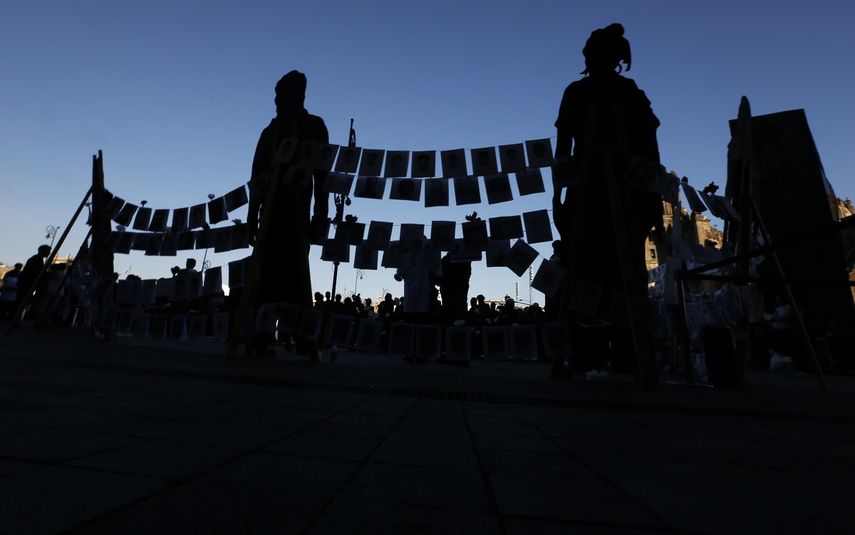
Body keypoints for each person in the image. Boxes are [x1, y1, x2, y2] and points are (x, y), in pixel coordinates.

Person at [552, 24, 663, 382]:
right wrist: (559, 195)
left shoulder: (629, 93)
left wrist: (652, 195)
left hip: (624, 193)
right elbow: (563, 148)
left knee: (622, 273)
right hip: (587, 191)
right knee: (585, 272)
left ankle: (629, 353)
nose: (589, 59)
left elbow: (649, 149)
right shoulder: (577, 92)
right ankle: (587, 353)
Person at [246, 70, 330, 358]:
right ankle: (261, 335)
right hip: (270, 212)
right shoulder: (269, 132)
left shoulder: (314, 126)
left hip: (298, 211)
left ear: (299, 96)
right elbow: (257, 176)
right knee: (265, 276)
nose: (277, 101)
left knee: (297, 275)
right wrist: (251, 215)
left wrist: (321, 212)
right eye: (276, 96)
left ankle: (304, 339)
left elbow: (322, 173)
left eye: (282, 96)